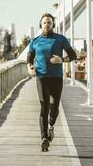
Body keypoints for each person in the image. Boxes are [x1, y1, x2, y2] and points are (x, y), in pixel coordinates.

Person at [26, 13, 77, 152]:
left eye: (49, 22)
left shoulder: (60, 39)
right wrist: (29, 67)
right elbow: (29, 56)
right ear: (40, 25)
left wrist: (62, 60)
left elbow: (73, 55)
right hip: (41, 77)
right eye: (44, 23)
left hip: (56, 78)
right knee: (44, 106)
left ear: (53, 24)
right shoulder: (35, 41)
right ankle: (43, 138)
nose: (46, 25)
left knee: (54, 108)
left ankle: (51, 126)